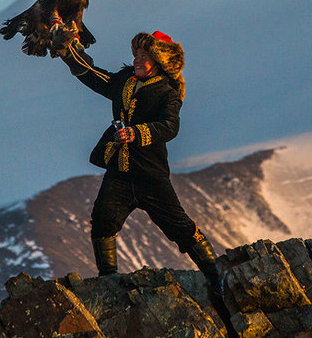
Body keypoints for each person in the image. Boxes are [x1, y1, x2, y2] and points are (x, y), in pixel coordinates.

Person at [53, 26, 222, 294]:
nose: (138, 60)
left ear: (160, 62)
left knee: (181, 228)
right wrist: (68, 54)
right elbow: (96, 77)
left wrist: (136, 133)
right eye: (137, 54)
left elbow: (170, 127)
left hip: (151, 177)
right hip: (119, 173)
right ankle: (108, 282)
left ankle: (217, 279)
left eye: (145, 55)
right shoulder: (124, 81)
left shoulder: (168, 93)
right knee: (102, 222)